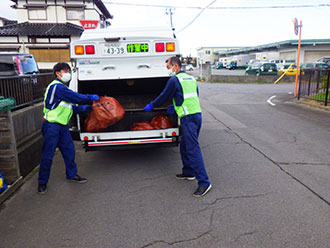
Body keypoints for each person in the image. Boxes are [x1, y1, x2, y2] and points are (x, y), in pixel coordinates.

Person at [144, 57, 212, 197]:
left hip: (188, 118)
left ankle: (204, 182)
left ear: (175, 66)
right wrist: (175, 106)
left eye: (168, 67)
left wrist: (153, 104)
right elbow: (190, 97)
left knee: (192, 149)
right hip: (196, 115)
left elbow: (164, 95)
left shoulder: (174, 80)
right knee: (185, 145)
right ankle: (188, 172)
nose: (168, 70)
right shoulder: (190, 79)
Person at [38, 62, 100, 195]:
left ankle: (71, 174)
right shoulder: (57, 87)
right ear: (57, 73)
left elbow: (68, 106)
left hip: (62, 126)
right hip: (51, 126)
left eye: (69, 70)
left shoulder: (62, 89)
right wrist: (90, 98)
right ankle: (42, 182)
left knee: (69, 151)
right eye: (65, 70)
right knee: (48, 156)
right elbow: (76, 97)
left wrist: (86, 109)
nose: (68, 73)